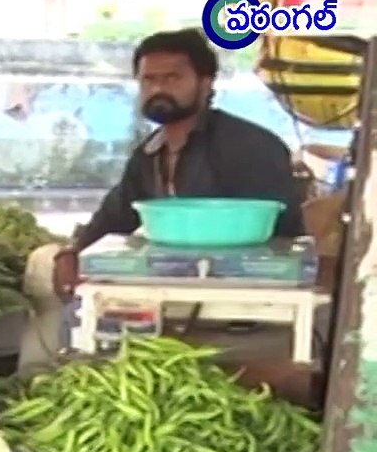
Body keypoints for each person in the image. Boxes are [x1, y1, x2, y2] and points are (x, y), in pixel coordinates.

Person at [50, 29, 306, 299]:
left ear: (205, 83)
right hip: (174, 295)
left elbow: (283, 235)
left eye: (172, 78)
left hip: (250, 301)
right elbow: (115, 217)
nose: (158, 89)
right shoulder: (148, 154)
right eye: (149, 79)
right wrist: (72, 252)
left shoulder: (249, 146)